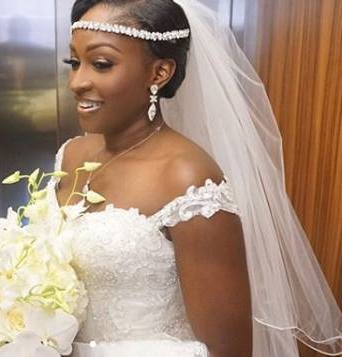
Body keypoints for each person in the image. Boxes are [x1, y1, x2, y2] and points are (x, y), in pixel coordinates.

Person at [44, 0, 342, 356]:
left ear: (160, 73)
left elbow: (227, 350)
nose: (77, 82)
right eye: (74, 63)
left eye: (102, 64)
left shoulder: (187, 179)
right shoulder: (72, 154)